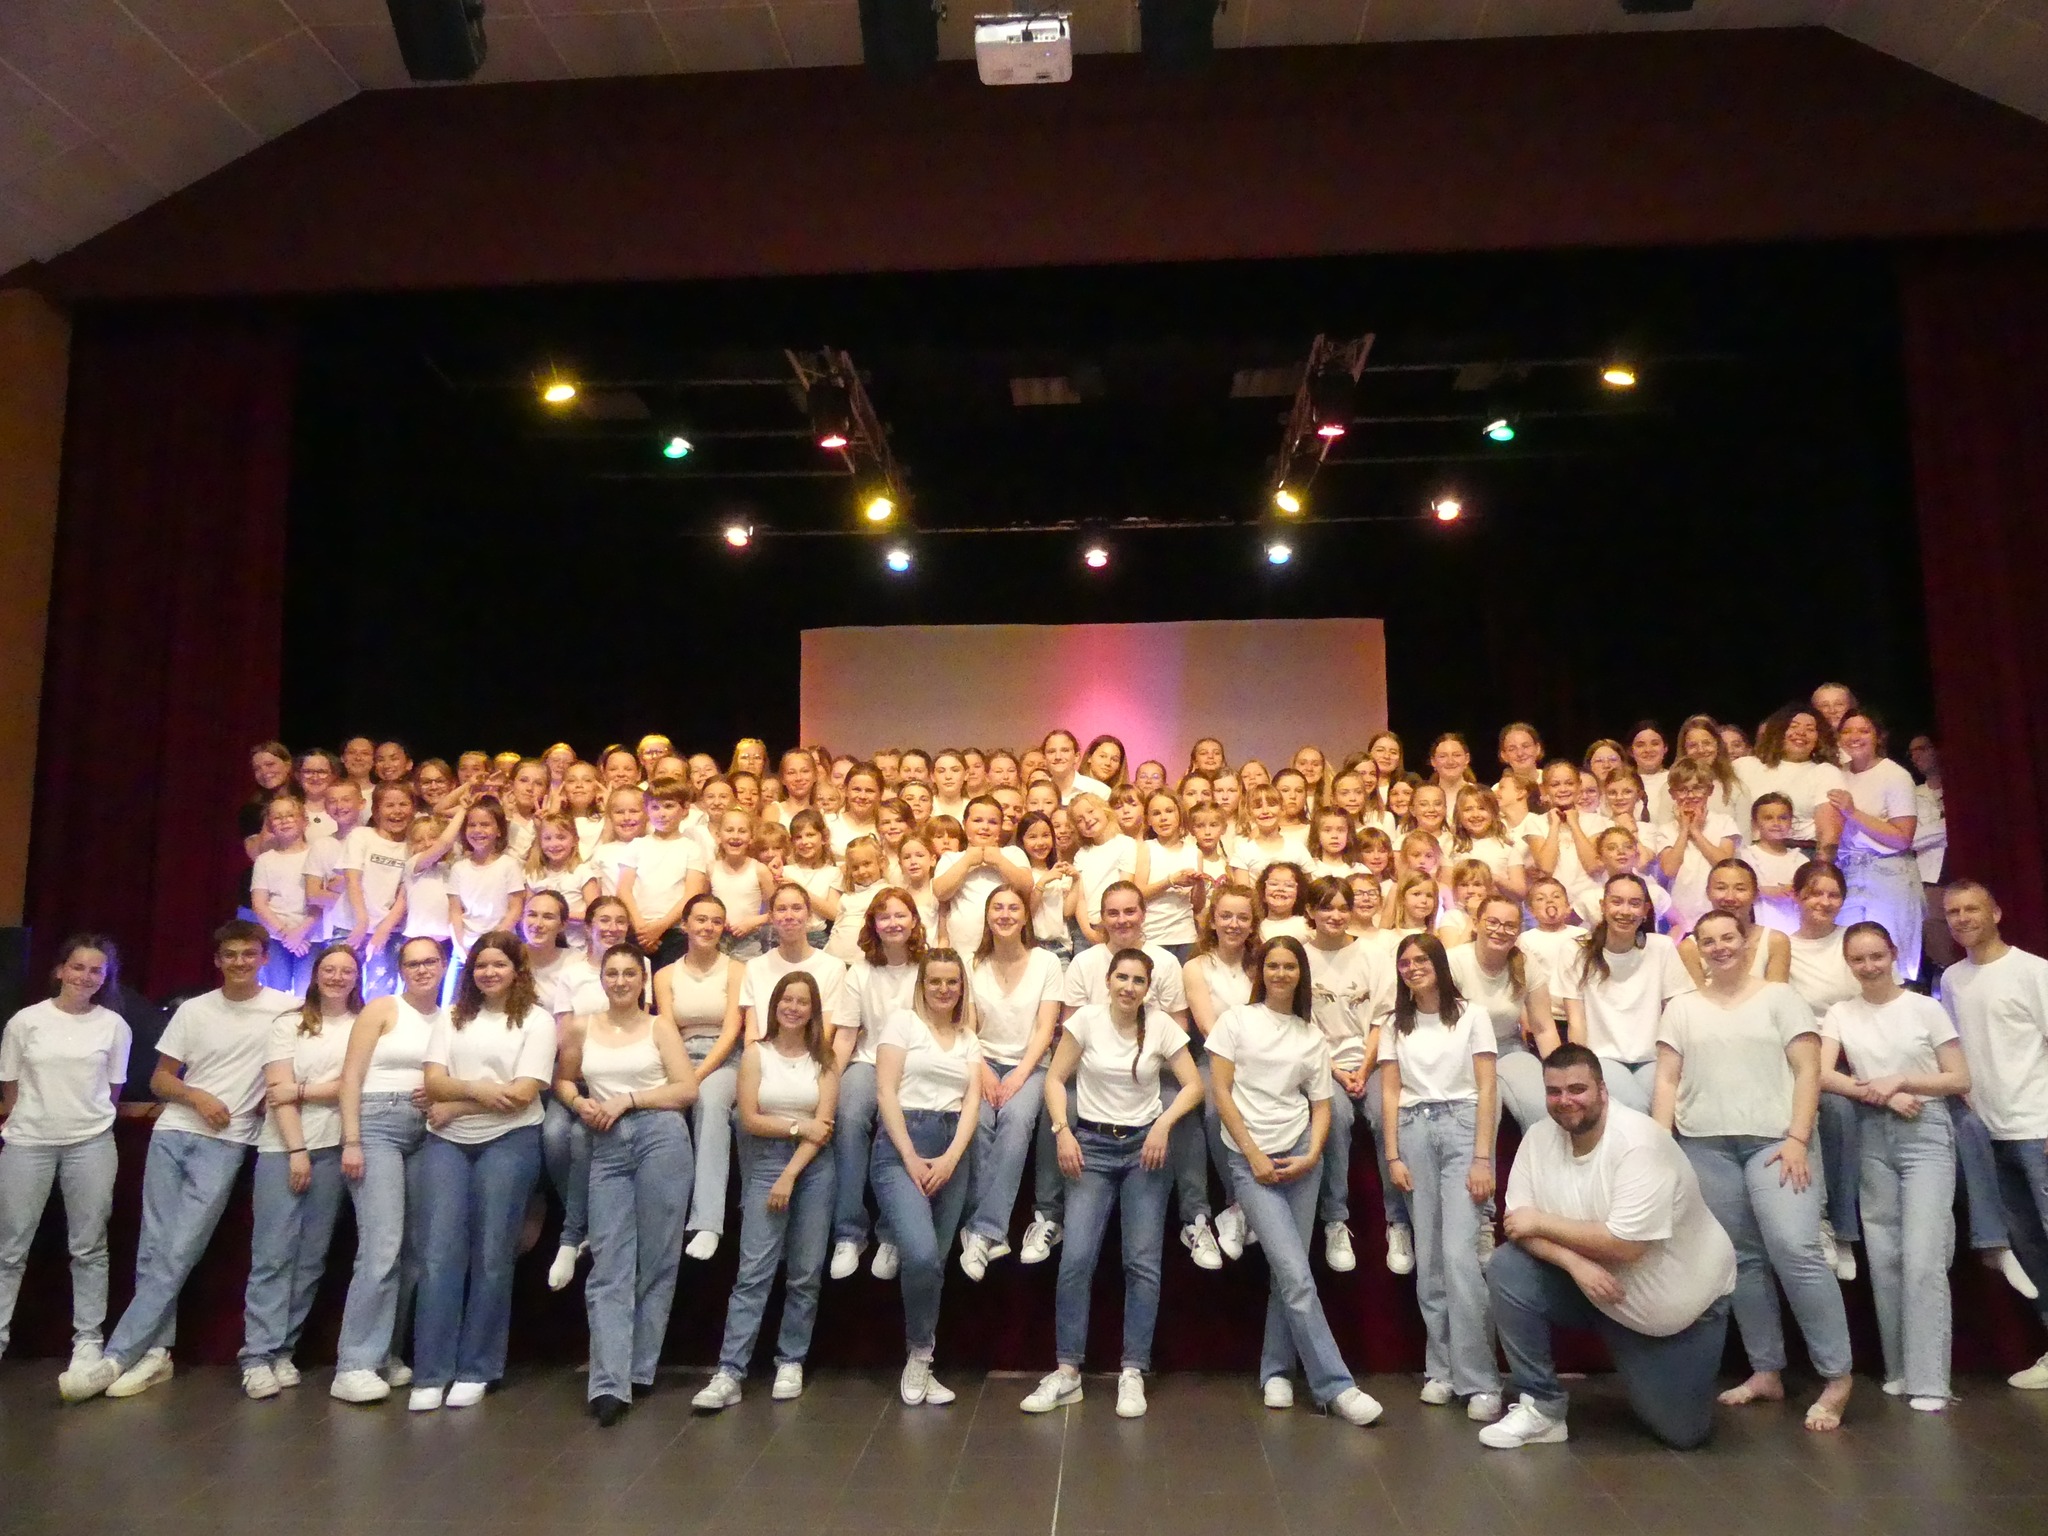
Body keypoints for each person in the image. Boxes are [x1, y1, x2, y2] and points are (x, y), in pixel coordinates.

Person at [61, 921, 293, 1402]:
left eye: (249, 954)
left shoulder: (285, 1011)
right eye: (230, 954)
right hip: (172, 1134)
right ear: (217, 960)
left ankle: (116, 1356)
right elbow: (162, 1080)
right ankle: (155, 1354)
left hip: (226, 1142)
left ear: (264, 957)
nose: (239, 962)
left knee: (178, 1251)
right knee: (153, 1251)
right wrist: (196, 1096)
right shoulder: (195, 1011)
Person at [1651, 911, 1854, 1431]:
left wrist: (1798, 1139)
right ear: (1696, 949)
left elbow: (1809, 1070)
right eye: (1707, 941)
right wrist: (1659, 1146)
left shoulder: (1780, 999)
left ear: (1747, 943)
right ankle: (1767, 1370)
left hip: (1776, 1143)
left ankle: (1837, 1376)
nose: (1719, 948)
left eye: (1728, 939)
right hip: (1705, 1146)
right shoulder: (1681, 1009)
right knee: (1741, 1258)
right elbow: (1668, 1082)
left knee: (1795, 1249)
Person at [1481, 1044, 1735, 1450]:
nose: (1565, 1101)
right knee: (1508, 1267)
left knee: (1683, 1435)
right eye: (1554, 1091)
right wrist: (1575, 1264)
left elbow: (1626, 1247)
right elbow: (1518, 1227)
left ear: (1603, 1090)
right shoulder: (1537, 1139)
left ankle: (1651, 1365)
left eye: (1577, 1089)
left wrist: (1543, 1221)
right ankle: (1543, 1409)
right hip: (1596, 1289)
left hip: (1679, 1310)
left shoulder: (1639, 1143)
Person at [1021, 947, 1203, 1419]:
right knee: (1076, 1259)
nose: (1128, 987)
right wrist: (1063, 1130)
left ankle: (1132, 1371)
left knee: (1141, 1263)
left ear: (1148, 987)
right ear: (1107, 980)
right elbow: (1055, 1079)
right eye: (1121, 977)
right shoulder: (1085, 1022)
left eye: (1138, 980)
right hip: (1092, 1149)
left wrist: (1164, 1125)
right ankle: (1067, 1373)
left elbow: (1193, 1085)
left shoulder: (1161, 1025)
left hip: (1146, 1149)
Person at [1208, 936, 1383, 1425]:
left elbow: (1322, 1105)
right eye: (1273, 965)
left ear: (1301, 974)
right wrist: (1251, 1154)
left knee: (1290, 1273)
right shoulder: (1236, 1021)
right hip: (1251, 1162)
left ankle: (1277, 1371)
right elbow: (1219, 1090)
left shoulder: (1310, 1034)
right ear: (1260, 971)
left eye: (1289, 966)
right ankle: (1337, 1386)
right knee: (1296, 1274)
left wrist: (1310, 1156)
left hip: (1300, 1161)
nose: (1281, 974)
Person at [1819, 922, 1970, 1410]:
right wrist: (1879, 1093)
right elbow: (1820, 1074)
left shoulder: (1924, 1007)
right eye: (1859, 960)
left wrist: (1905, 1079)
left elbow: (1960, 1078)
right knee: (1884, 1257)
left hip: (1926, 1133)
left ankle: (1931, 1382)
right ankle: (1901, 1369)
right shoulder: (1841, 1012)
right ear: (1849, 964)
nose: (1869, 967)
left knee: (1924, 1256)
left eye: (1877, 957)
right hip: (1871, 1130)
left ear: (1894, 954)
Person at [556, 944, 699, 1426]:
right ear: (602, 978)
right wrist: (581, 1106)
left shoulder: (660, 1026)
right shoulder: (582, 1027)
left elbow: (686, 1088)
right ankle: (608, 1383)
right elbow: (564, 1081)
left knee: (658, 1259)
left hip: (660, 1135)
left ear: (643, 980)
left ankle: (639, 1368)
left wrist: (630, 1100)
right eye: (611, 973)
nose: (620, 981)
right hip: (607, 1143)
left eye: (629, 974)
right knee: (609, 1264)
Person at [413, 930, 554, 1411]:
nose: (489, 973)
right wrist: (474, 1092)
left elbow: (522, 1094)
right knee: (438, 1257)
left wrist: (456, 1102)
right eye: (480, 966)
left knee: (493, 1257)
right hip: (446, 1145)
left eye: (499, 964)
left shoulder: (537, 1020)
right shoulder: (453, 1017)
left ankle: (477, 1368)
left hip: (512, 1142)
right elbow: (433, 1082)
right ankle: (431, 1371)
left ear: (517, 970)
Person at [693, 973, 841, 1411]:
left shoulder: (826, 1060)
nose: (793, 1008)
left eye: (802, 1001)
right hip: (765, 1162)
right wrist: (796, 1126)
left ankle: (791, 1360)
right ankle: (729, 1372)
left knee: (805, 1272)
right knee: (752, 1273)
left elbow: (826, 1128)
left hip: (812, 1167)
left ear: (813, 1010)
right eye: (786, 1000)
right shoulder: (756, 1053)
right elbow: (750, 1118)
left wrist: (791, 1174)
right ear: (775, 1005)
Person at [1380, 933, 1502, 1420]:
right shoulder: (1395, 1023)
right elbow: (1390, 1092)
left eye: (1421, 960)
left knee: (1460, 1257)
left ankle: (1480, 1380)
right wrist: (1392, 1155)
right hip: (1413, 1130)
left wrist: (1482, 1158)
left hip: (1461, 1126)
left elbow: (1488, 1086)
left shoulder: (1471, 1014)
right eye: (1405, 962)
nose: (1413, 968)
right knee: (1429, 1260)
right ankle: (1441, 1369)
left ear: (1439, 963)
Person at [0, 936, 130, 1374]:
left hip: (90, 1143)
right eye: (77, 967)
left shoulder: (113, 1026)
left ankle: (88, 1341)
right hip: (28, 1143)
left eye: (96, 970)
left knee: (90, 1246)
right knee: (9, 1247)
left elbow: (113, 1091)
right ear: (59, 970)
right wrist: (27, 1124)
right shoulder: (25, 1022)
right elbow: (11, 1087)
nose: (85, 977)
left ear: (105, 977)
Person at [1939, 881, 2048, 1390]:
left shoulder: (2033, 972)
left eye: (1972, 908)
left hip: (2038, 1129)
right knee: (2029, 1248)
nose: (1962, 918)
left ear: (1997, 912)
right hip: (1987, 1136)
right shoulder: (1953, 981)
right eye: (1953, 911)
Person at [238, 946, 358, 1400]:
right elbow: (277, 1092)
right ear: (315, 973)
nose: (337, 976)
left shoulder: (360, 1025)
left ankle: (283, 1348)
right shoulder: (288, 1023)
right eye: (329, 969)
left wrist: (304, 1089)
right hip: (284, 1149)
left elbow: (352, 1086)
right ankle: (256, 1356)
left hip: (336, 1149)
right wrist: (297, 1150)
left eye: (347, 970)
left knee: (309, 1258)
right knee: (273, 1255)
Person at [330, 934, 444, 1403]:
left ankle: (385, 1354)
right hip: (376, 1124)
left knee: (415, 1252)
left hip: (428, 1129)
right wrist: (352, 1139)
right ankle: (352, 1364)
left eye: (430, 961)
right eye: (412, 963)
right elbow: (351, 1076)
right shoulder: (382, 1008)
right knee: (381, 1247)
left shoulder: (450, 1017)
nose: (421, 970)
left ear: (442, 965)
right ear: (401, 969)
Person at [871, 950, 982, 1406]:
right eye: (934, 981)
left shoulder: (968, 1037)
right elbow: (884, 1090)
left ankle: (921, 1356)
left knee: (933, 1263)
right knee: (918, 1255)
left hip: (952, 1146)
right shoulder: (903, 1025)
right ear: (922, 984)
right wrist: (912, 1157)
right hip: (903, 1144)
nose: (943, 989)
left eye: (951, 982)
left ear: (961, 987)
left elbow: (973, 1101)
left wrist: (953, 1156)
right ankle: (890, 1231)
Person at [959, 888, 1061, 1280]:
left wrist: (1019, 1074)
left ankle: (984, 1231)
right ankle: (983, 1232)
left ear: (1025, 917)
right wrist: (983, 1070)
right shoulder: (972, 963)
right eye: (996, 907)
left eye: (1012, 908)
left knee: (1017, 1123)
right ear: (987, 916)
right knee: (979, 1123)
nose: (1004, 914)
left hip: (1031, 1066)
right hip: (981, 1061)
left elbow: (1045, 1029)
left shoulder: (1046, 962)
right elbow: (966, 1026)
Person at [1302, 876, 1398, 1274]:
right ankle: (1336, 1220)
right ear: (1310, 911)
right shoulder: (1300, 956)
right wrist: (1338, 1071)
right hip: (1322, 1064)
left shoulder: (1374, 954)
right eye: (1326, 907)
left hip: (1370, 1062)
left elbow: (1382, 1020)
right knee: (1336, 1119)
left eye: (1343, 907)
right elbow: (1299, 1026)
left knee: (1385, 1114)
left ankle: (1398, 1221)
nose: (1336, 915)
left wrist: (1363, 1067)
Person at [827, 888, 924, 1279]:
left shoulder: (927, 967)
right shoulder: (861, 972)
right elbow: (846, 1037)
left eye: (901, 915)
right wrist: (827, 1086)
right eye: (884, 917)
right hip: (868, 1061)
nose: (893, 923)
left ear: (915, 921)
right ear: (872, 925)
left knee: (897, 1124)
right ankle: (850, 1233)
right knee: (849, 1117)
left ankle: (891, 1233)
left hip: (915, 1066)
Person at [649, 894, 745, 1264]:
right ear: (685, 924)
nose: (707, 927)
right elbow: (668, 1028)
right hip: (677, 1055)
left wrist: (698, 1076)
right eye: (700, 920)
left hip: (725, 1060)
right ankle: (662, 1216)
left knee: (708, 1099)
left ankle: (708, 1222)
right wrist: (681, 1073)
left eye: (716, 921)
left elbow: (732, 1030)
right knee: (659, 1114)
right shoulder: (665, 975)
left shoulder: (736, 970)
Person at [1556, 875, 1692, 1113]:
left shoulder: (1661, 948)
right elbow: (1576, 1021)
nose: (1625, 911)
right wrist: (1579, 1070)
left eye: (1634, 903)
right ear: (1603, 906)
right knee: (1636, 1107)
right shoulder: (1575, 949)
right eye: (1617, 902)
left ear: (1646, 910)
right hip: (1601, 1058)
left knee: (1669, 1102)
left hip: (1653, 1057)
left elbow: (1676, 1013)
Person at [1451, 895, 1557, 1135]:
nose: (1500, 930)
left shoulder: (1527, 965)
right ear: (1477, 923)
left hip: (1509, 1049)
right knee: (1485, 1111)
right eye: (1492, 922)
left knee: (1542, 1108)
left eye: (1510, 925)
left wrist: (1558, 1073)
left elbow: (1544, 1028)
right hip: (1463, 1054)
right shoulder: (1453, 961)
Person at [1829, 712, 1923, 981]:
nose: (1854, 737)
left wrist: (1853, 812)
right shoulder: (1835, 774)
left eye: (1864, 731)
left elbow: (1902, 837)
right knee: (1849, 951)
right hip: (1847, 870)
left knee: (1891, 953)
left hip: (1887, 872)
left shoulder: (1895, 775)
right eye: (1847, 731)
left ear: (1878, 737)